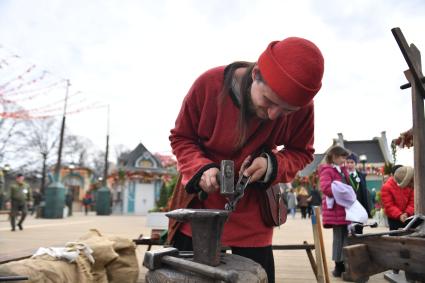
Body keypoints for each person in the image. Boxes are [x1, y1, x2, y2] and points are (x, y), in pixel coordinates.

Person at [167, 36, 324, 283]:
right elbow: (182, 138)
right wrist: (201, 168)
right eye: (270, 101)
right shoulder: (208, 85)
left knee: (257, 277)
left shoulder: (303, 106)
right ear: (256, 74)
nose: (274, 115)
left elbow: (301, 151)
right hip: (199, 208)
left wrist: (272, 165)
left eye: (286, 111)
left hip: (253, 210)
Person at [318, 145, 351, 277]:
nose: (344, 160)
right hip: (335, 210)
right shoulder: (327, 170)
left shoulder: (342, 170)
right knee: (338, 238)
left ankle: (346, 263)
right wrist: (342, 193)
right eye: (342, 157)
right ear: (334, 156)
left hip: (345, 209)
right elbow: (326, 188)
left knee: (347, 237)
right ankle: (338, 266)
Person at [345, 153, 371, 233]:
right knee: (349, 234)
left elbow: (364, 194)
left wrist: (367, 210)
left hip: (359, 208)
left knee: (359, 232)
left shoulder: (361, 176)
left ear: (355, 164)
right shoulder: (343, 176)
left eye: (352, 162)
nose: (349, 164)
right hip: (348, 209)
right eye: (348, 162)